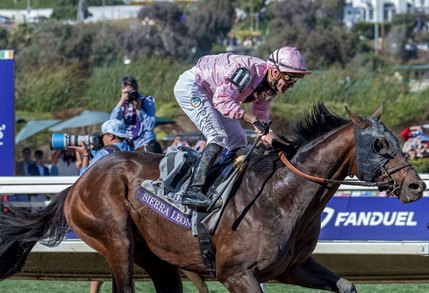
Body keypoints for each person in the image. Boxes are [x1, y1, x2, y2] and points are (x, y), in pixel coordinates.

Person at [173, 46, 312, 207]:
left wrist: (279, 144)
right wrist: (250, 119)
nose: (292, 85)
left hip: (213, 94)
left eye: (296, 80)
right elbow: (222, 100)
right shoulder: (246, 70)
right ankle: (192, 191)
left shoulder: (270, 88)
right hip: (194, 86)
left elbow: (262, 121)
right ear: (275, 72)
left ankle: (215, 184)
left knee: (239, 140)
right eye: (290, 78)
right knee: (217, 136)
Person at [69, 119, 133, 293]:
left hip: (109, 218)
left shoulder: (105, 153)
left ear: (110, 136)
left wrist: (86, 157)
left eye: (103, 135)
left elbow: (83, 182)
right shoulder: (132, 151)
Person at [110, 76, 163, 153]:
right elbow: (112, 123)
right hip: (130, 145)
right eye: (125, 93)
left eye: (131, 92)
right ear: (121, 92)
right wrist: (121, 102)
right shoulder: (123, 104)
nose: (128, 95)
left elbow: (150, 126)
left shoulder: (146, 101)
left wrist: (139, 109)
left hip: (146, 143)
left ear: (136, 90)